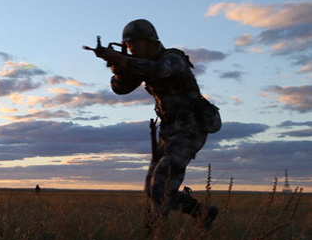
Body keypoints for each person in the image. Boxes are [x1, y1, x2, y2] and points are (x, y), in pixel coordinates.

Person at [89, 19, 220, 228]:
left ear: (149, 41)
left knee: (162, 180)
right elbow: (120, 89)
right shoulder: (141, 65)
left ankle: (154, 233)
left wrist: (123, 60)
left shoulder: (172, 58)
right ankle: (202, 213)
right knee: (152, 188)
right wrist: (119, 69)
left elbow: (158, 70)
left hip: (191, 126)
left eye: (134, 44)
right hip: (168, 129)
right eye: (128, 46)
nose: (131, 49)